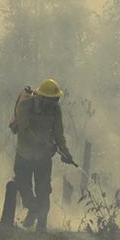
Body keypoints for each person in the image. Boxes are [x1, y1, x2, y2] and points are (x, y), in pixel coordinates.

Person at [8, 78, 76, 230]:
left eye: (56, 99)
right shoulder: (25, 105)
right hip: (24, 154)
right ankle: (32, 208)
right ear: (41, 97)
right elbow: (25, 131)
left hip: (43, 158)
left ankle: (41, 227)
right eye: (52, 100)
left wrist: (65, 152)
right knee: (23, 185)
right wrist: (44, 144)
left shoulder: (55, 110)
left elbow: (59, 133)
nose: (54, 103)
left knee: (44, 189)